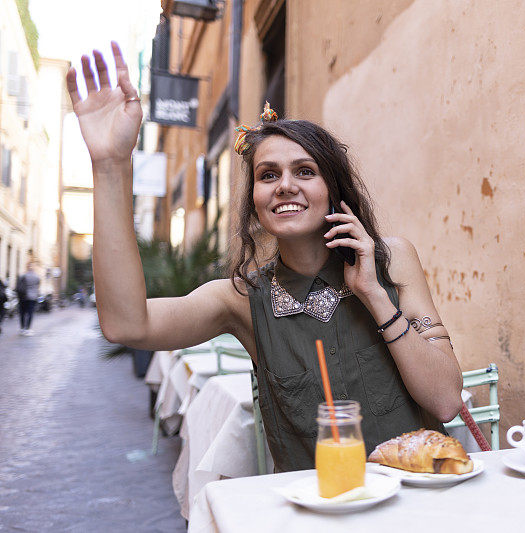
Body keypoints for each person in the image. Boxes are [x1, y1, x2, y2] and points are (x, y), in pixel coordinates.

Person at [66, 42, 463, 472]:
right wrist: (111, 165)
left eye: (304, 171)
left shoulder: (394, 260)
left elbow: (445, 401)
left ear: (334, 189)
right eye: (268, 175)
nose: (284, 185)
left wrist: (374, 296)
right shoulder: (240, 300)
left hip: (417, 501)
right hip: (317, 512)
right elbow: (126, 324)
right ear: (255, 198)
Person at [16, 262, 40, 336]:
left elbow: (18, 286)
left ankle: (22, 328)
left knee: (22, 313)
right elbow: (37, 286)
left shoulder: (23, 276)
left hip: (23, 296)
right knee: (30, 313)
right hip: (32, 297)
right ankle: (28, 329)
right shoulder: (37, 277)